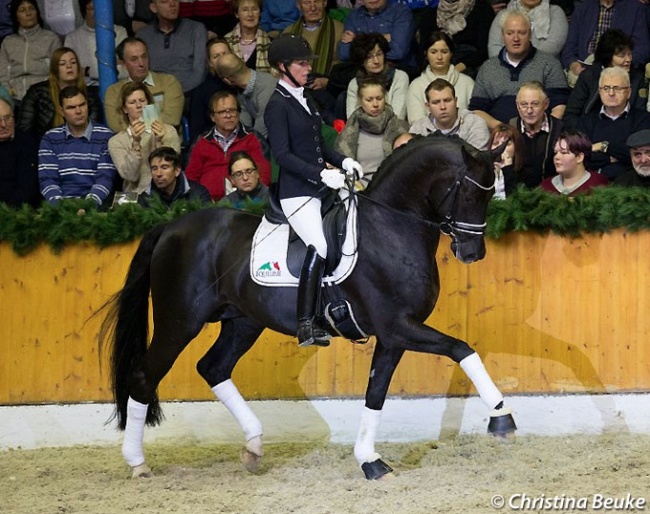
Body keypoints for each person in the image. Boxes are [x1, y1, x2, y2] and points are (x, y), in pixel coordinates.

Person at [264, 34, 362, 347]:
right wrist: (321, 174)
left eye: (308, 63)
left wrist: (344, 161)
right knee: (318, 246)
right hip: (296, 193)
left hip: (320, 186)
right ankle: (305, 323)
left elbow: (319, 145)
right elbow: (283, 156)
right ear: (283, 67)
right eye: (301, 64)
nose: (308, 69)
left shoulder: (305, 98)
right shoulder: (277, 105)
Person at [468, 10, 569, 129]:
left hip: (540, 135)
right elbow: (477, 110)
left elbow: (560, 106)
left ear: (530, 34)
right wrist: (503, 130)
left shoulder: (549, 64)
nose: (516, 38)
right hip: (499, 136)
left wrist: (545, 131)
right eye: (510, 33)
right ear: (502, 35)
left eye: (521, 33)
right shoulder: (487, 68)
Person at [185, 90, 271, 200]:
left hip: (246, 202)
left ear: (238, 113)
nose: (228, 115)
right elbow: (190, 179)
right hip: (209, 204)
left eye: (232, 110)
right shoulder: (201, 142)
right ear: (212, 117)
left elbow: (264, 175)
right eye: (222, 112)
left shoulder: (252, 138)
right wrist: (202, 199)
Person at [38, 85, 116, 206]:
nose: (79, 111)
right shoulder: (50, 139)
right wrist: (61, 208)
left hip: (95, 208)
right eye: (71, 107)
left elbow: (105, 179)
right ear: (61, 111)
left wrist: (87, 206)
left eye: (82, 105)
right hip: (60, 208)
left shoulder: (106, 136)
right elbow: (48, 180)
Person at [577, 66, 650, 181]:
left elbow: (640, 156)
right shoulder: (586, 121)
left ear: (629, 92)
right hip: (592, 184)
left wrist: (603, 146)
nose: (611, 93)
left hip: (632, 185)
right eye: (606, 88)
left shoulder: (644, 119)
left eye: (617, 88)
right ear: (600, 91)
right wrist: (614, 156)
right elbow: (580, 158)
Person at [564, 30, 646, 130]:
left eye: (629, 54)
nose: (628, 59)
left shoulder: (637, 78)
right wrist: (586, 133)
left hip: (625, 131)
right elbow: (570, 116)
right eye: (622, 55)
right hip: (590, 131)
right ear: (608, 57)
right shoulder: (589, 77)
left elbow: (640, 116)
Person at [108, 82, 181, 194]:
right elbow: (131, 176)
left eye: (142, 101)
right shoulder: (116, 141)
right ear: (124, 109)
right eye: (132, 102)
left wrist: (159, 142)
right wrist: (136, 144)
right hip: (136, 196)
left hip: (166, 194)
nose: (139, 106)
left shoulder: (169, 131)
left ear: (149, 103)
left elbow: (173, 171)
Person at [18, 47, 103, 141]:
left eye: (73, 62)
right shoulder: (37, 92)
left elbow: (93, 128)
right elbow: (25, 128)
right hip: (43, 146)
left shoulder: (90, 95)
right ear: (55, 69)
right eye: (62, 63)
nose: (69, 66)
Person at [560, 0, 650, 86]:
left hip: (619, 70)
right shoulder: (582, 8)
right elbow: (569, 48)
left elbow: (642, 50)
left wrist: (619, 64)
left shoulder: (636, 9)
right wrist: (573, 64)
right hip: (585, 69)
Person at [104, 37, 184, 133]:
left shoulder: (168, 82)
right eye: (134, 59)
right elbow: (117, 126)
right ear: (123, 64)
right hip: (130, 144)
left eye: (144, 56)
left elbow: (172, 119)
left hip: (164, 141)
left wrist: (137, 128)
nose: (141, 63)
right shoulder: (113, 91)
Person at [334, 78, 409, 181]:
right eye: (369, 100)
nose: (375, 104)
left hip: (392, 186)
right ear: (360, 101)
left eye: (379, 98)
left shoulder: (401, 128)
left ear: (385, 98)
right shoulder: (347, 134)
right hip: (357, 188)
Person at [136, 0, 207, 94]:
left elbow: (200, 71)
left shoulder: (196, 29)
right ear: (153, 7)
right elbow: (140, 73)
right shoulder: (143, 35)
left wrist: (174, 93)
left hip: (190, 93)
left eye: (175, 0)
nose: (172, 4)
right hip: (154, 94)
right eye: (164, 1)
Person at [407, 31, 475, 124]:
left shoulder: (467, 83)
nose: (439, 57)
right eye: (433, 52)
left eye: (444, 52)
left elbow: (475, 119)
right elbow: (416, 123)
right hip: (427, 137)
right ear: (426, 54)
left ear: (451, 54)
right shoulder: (416, 86)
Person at [0, 0, 61, 102]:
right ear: (16, 17)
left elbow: (58, 71)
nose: (28, 13)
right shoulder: (8, 42)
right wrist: (9, 95)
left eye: (31, 8)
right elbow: (3, 75)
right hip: (15, 98)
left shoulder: (51, 38)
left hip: (45, 96)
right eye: (22, 10)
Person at [417, 0, 495, 78]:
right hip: (438, 67)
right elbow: (423, 52)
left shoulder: (482, 10)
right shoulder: (429, 15)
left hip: (470, 67)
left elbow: (483, 51)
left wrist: (458, 67)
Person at [410, 78, 490, 151]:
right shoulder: (418, 129)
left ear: (455, 101)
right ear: (428, 106)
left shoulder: (475, 123)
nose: (443, 107)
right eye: (436, 102)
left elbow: (478, 162)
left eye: (447, 100)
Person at [510, 81, 563, 187]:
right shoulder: (511, 129)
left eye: (535, 104)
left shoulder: (560, 129)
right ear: (517, 105)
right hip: (517, 195)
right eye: (524, 104)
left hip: (552, 193)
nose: (529, 110)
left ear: (546, 104)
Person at [337, 0, 415, 72]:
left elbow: (398, 52)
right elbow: (344, 53)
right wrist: (381, 39)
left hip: (396, 69)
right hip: (362, 71)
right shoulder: (353, 16)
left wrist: (357, 40)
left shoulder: (401, 12)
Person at [64, 0, 128, 87]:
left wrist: (87, 71)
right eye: (92, 9)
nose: (98, 12)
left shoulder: (120, 32)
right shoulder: (72, 38)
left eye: (102, 8)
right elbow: (71, 72)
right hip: (86, 91)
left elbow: (126, 70)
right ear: (84, 11)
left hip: (118, 88)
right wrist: (113, 66)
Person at [345, 33, 409, 120]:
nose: (376, 61)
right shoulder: (354, 84)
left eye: (379, 54)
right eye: (369, 57)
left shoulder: (399, 77)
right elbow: (352, 119)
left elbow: (398, 117)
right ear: (361, 60)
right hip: (362, 131)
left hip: (393, 130)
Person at [216, 52, 277, 139]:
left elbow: (260, 132)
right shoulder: (242, 92)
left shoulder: (266, 87)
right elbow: (244, 127)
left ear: (227, 80)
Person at [487, 0, 568, 59]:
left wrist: (525, 63)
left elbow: (554, 44)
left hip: (543, 67)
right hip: (504, 68)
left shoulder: (555, 12)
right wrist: (508, 63)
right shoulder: (504, 14)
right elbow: (494, 46)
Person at [0, 95, 41, 207]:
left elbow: (28, 188)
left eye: (7, 118)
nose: (3, 125)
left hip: (17, 212)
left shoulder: (27, 142)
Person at [540, 129, 608, 195]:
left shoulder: (597, 184)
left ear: (579, 157)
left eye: (564, 152)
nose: (556, 157)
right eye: (555, 153)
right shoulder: (546, 187)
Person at [190, 37, 232, 142]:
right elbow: (197, 131)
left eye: (225, 54)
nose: (222, 59)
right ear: (210, 63)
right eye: (216, 56)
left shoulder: (242, 84)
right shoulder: (201, 92)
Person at [140, 146, 211, 207]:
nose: (158, 173)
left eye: (164, 167)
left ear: (177, 170)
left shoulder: (198, 194)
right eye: (154, 168)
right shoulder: (145, 199)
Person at [224, 0, 272, 73]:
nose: (250, 14)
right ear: (236, 14)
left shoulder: (271, 43)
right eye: (245, 10)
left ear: (260, 13)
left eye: (254, 9)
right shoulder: (225, 42)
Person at [488, 123, 525, 198]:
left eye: (506, 144)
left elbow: (515, 201)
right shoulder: (482, 171)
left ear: (516, 147)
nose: (500, 148)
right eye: (496, 143)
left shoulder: (525, 172)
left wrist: (508, 169)